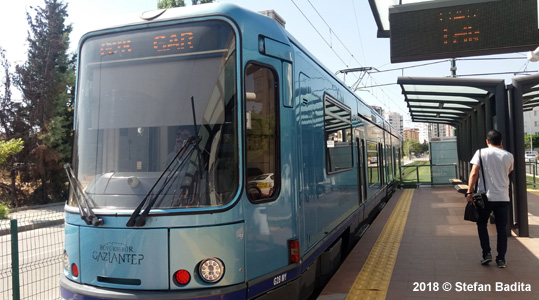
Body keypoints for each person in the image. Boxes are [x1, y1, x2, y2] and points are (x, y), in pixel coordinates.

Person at [466, 129, 514, 268]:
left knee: (482, 224)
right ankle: (501, 259)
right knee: (501, 228)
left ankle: (486, 254)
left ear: (487, 141)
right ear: (501, 142)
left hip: (485, 197)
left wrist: (469, 192)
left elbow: (474, 173)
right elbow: (508, 171)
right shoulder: (509, 156)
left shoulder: (480, 153)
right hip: (503, 197)